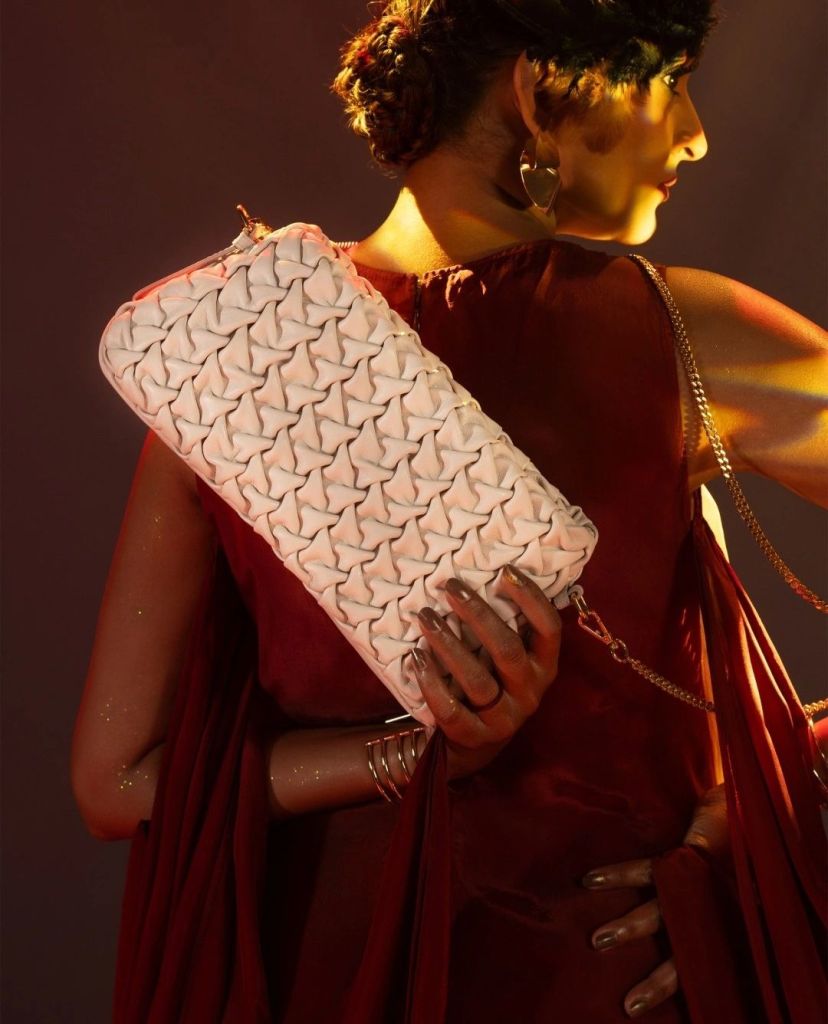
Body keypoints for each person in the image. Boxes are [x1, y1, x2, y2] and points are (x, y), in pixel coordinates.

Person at [71, 1, 828, 1021]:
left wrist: (405, 757)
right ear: (536, 88)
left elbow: (117, 780)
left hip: (320, 973)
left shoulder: (225, 358)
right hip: (598, 978)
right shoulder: (675, 335)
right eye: (664, 75)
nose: (694, 129)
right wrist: (769, 802)